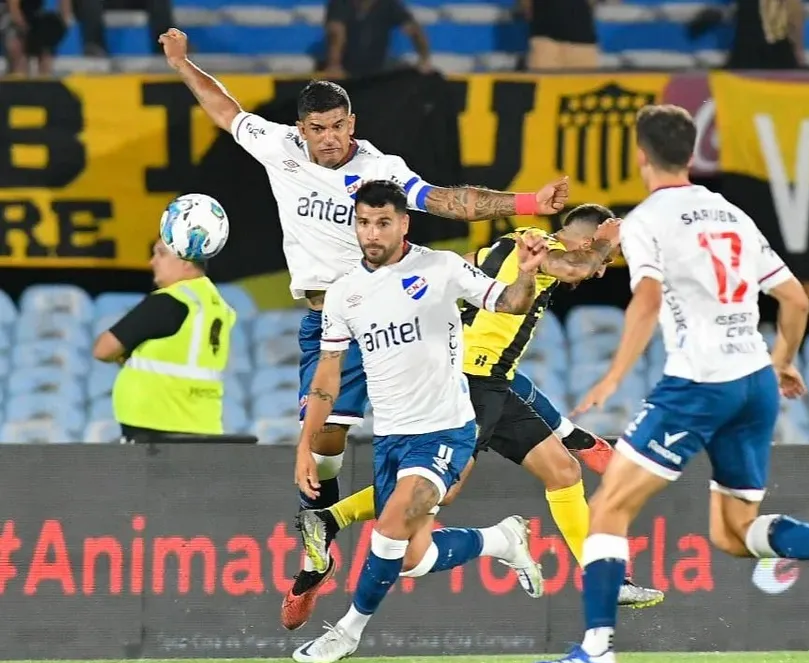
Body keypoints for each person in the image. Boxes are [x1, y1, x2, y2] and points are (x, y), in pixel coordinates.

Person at [158, 26, 570, 631]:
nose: (329, 140)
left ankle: (509, 490)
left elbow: (450, 201)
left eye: (339, 127)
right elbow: (226, 110)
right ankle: (329, 549)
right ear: (302, 130)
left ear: (352, 123)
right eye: (318, 130)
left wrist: (528, 202)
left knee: (414, 527)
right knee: (323, 449)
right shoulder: (280, 148)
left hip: (399, 319)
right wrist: (180, 62)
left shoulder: (381, 172)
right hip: (329, 319)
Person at [537, 105, 809, 663]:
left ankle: (596, 650)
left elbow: (646, 300)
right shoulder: (731, 214)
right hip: (754, 383)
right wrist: (784, 360)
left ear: (640, 155)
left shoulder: (649, 218)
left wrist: (614, 374)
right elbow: (795, 299)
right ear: (691, 153)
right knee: (732, 533)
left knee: (608, 510)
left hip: (699, 384)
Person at [297, 203, 663, 624]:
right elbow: (577, 267)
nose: (603, 268)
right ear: (582, 239)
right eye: (604, 257)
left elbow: (469, 267)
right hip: (469, 382)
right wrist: (607, 241)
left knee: (563, 471)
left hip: (494, 382)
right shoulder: (544, 249)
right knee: (440, 492)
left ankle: (606, 582)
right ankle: (332, 518)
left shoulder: (511, 243)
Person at [290, 180, 545, 663]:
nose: (372, 234)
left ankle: (346, 632)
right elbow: (326, 379)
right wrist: (306, 445)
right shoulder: (344, 295)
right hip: (391, 438)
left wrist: (527, 275)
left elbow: (509, 302)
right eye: (363, 223)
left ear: (403, 223)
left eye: (383, 223)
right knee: (411, 557)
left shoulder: (441, 268)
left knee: (387, 530)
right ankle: (502, 540)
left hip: (445, 430)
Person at [92, 240, 236, 442]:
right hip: (204, 423)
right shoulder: (217, 306)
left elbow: (103, 349)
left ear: (186, 261)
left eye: (161, 254)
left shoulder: (169, 301)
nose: (152, 262)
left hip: (155, 425)